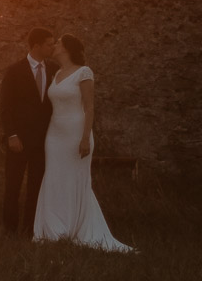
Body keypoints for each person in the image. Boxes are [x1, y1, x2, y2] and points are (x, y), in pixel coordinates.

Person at [32, 33, 134, 253]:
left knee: (74, 179)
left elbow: (90, 107)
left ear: (67, 48)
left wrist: (85, 137)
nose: (54, 45)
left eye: (57, 43)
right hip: (55, 135)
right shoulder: (56, 73)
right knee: (54, 178)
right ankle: (54, 228)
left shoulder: (84, 72)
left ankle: (77, 227)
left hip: (76, 133)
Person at [0, 27, 59, 236]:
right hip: (19, 140)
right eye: (50, 44)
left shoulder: (54, 70)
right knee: (13, 186)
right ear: (36, 46)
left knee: (37, 188)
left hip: (43, 141)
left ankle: (30, 229)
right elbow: (5, 106)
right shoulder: (15, 71)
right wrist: (11, 135)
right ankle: (9, 229)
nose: (53, 47)